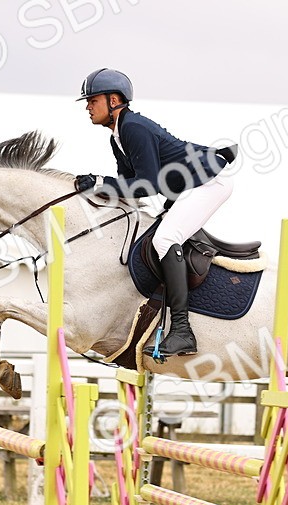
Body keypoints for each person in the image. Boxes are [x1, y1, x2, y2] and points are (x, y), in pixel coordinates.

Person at [74, 67, 234, 359]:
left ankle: (183, 331)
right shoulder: (117, 137)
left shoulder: (133, 127)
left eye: (92, 100)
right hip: (186, 188)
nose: (87, 106)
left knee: (164, 240)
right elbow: (128, 187)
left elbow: (146, 184)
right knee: (155, 235)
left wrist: (100, 182)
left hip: (209, 182)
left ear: (114, 100)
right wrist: (98, 190)